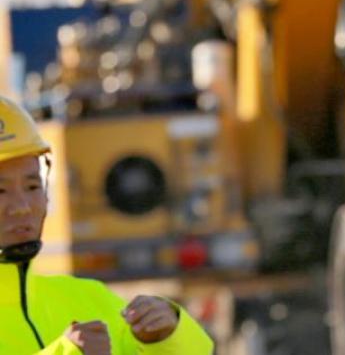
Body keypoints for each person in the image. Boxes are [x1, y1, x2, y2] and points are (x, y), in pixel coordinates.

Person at [0, 96, 214, 354]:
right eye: (1, 191)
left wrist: (167, 338)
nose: (22, 206)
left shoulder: (88, 300)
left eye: (32, 186)